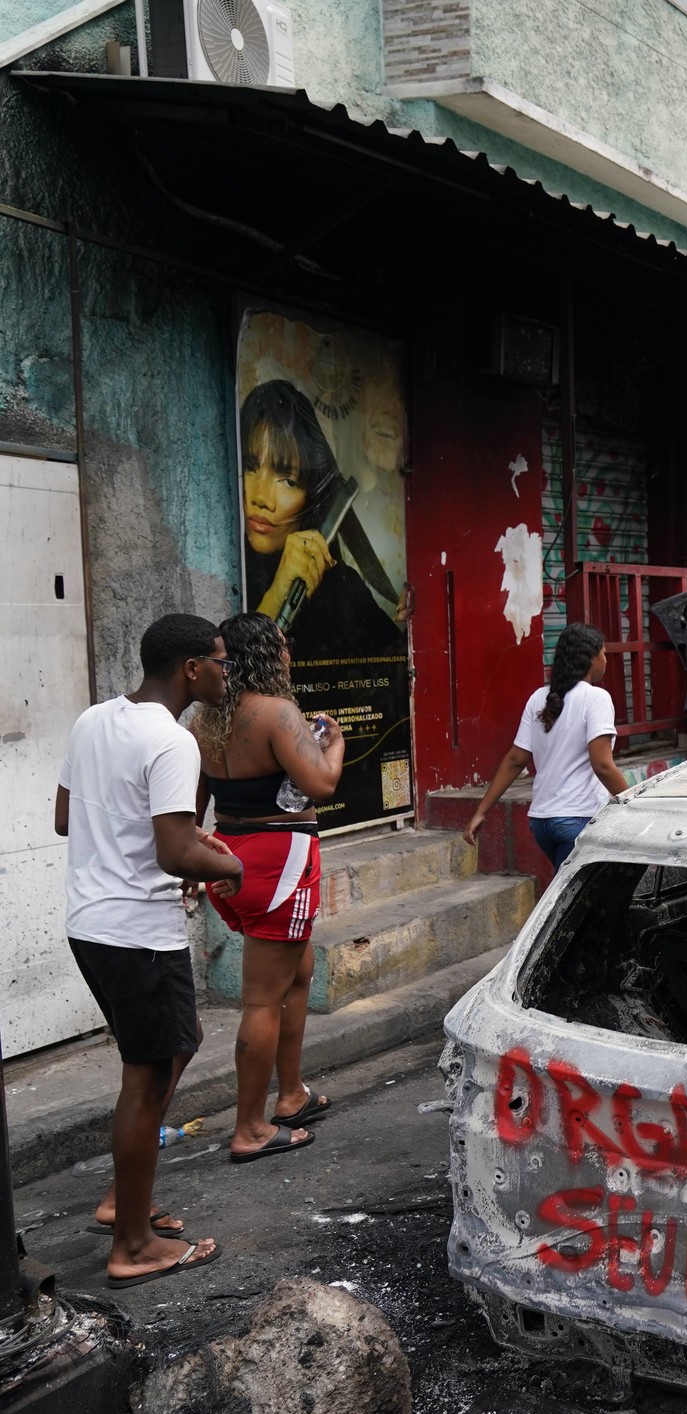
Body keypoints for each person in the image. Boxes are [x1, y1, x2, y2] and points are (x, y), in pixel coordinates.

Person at [57, 614, 239, 1287]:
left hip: (92, 923)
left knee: (179, 1042)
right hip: (138, 933)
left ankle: (123, 1200)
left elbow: (66, 817)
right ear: (191, 668)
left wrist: (184, 846)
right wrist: (229, 864)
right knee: (147, 1074)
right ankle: (132, 1244)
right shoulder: (172, 740)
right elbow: (174, 852)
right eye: (221, 662)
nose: (227, 674)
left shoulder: (93, 721)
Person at [193, 613, 346, 1165]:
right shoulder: (277, 712)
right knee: (261, 999)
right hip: (278, 860)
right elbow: (321, 784)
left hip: (229, 855)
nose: (288, 653)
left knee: (298, 971)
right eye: (282, 645)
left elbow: (195, 804)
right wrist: (336, 743)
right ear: (265, 653)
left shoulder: (205, 718)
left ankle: (292, 1094)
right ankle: (250, 1128)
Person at [239, 380, 401, 658]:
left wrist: (412, 613)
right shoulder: (229, 578)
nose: (261, 497)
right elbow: (233, 672)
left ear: (311, 497)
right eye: (250, 467)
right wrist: (276, 595)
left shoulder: (342, 589)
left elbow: (395, 664)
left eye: (288, 480)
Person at [462, 623, 630, 873]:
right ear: (591, 658)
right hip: (578, 817)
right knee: (572, 895)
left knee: (573, 889)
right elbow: (603, 765)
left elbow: (515, 760)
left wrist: (481, 811)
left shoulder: (538, 698)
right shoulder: (597, 698)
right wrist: (632, 802)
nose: (605, 660)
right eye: (603, 653)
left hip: (541, 822)